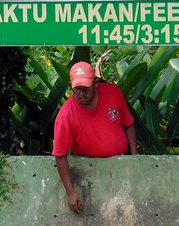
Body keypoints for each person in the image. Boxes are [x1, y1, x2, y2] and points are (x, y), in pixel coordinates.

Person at [52, 60, 138, 213]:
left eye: (85, 88)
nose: (81, 93)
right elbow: (60, 156)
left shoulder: (112, 92)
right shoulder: (65, 116)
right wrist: (70, 192)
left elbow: (128, 123)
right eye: (77, 89)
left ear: (96, 83)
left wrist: (134, 157)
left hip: (122, 163)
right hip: (89, 170)